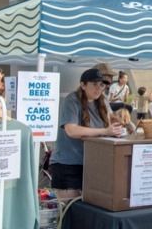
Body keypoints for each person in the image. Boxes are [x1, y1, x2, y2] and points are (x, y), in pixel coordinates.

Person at [49, 69, 123, 198]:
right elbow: (71, 130)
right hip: (68, 165)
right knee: (68, 208)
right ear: (83, 85)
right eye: (94, 84)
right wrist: (104, 131)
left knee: (89, 207)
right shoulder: (72, 100)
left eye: (102, 84)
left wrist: (118, 127)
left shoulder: (103, 100)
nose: (99, 88)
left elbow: (112, 119)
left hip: (92, 164)